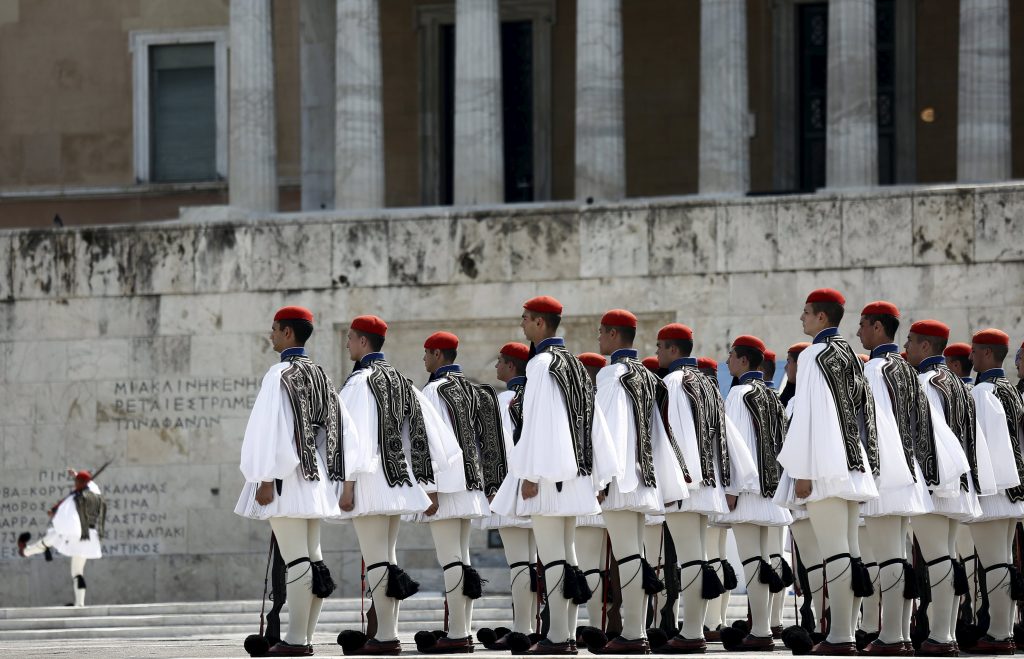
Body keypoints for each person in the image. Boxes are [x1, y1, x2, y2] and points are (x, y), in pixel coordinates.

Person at [235, 306, 367, 657]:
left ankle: (296, 640)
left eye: (274, 329)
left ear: (288, 333)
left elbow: (269, 431)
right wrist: (332, 471)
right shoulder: (320, 374)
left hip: (286, 479)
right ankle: (304, 636)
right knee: (312, 560)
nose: (271, 335)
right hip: (315, 479)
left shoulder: (280, 374)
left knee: (297, 561)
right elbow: (342, 431)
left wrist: (264, 477)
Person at [490, 295, 618, 655]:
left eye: (526, 319)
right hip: (574, 475)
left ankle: (558, 637)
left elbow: (538, 423)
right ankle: (566, 633)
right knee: (568, 556)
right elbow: (594, 424)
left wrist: (530, 473)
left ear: (541, 324)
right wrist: (597, 474)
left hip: (547, 476)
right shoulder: (574, 364)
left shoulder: (541, 364)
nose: (523, 324)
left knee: (553, 558)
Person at [332, 315, 462, 656]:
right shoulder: (402, 381)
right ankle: (387, 633)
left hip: (370, 481)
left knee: (377, 559)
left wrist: (347, 486)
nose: (347, 344)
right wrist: (423, 477)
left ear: (363, 342)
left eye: (350, 338)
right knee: (386, 558)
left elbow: (354, 440)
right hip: (398, 481)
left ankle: (387, 637)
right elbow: (431, 437)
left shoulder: (361, 383)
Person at [775, 288, 880, 656]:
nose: (801, 319)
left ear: (822, 317)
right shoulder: (848, 353)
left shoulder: (814, 355)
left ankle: (840, 636)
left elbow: (808, 414)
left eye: (806, 313)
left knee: (835, 553)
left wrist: (803, 471)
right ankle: (845, 632)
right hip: (852, 463)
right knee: (849, 552)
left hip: (824, 466)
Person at [655, 323, 756, 653]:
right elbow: (727, 438)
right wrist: (729, 480)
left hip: (684, 485)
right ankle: (694, 629)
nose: (657, 354)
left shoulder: (672, 382)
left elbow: (672, 436)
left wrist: (680, 478)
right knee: (697, 559)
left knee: (690, 560)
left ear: (672, 350)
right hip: (707, 484)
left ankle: (693, 633)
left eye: (660, 348)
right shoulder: (708, 384)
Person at [587, 309, 679, 654]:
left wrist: (603, 477)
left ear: (612, 335)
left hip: (621, 479)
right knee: (635, 554)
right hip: (645, 478)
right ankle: (636, 629)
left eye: (601, 332)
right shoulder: (646, 374)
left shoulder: (612, 374)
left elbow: (608, 428)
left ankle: (633, 634)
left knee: (628, 556)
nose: (599, 338)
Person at [903, 319, 989, 657]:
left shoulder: (924, 383)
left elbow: (924, 438)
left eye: (911, 342)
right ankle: (947, 633)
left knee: (939, 558)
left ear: (926, 347)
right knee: (948, 558)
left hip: (934, 484)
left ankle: (941, 635)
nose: (906, 348)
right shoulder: (957, 383)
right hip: (957, 485)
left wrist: (926, 480)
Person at [855, 302, 934, 655]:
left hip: (884, 472)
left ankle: (892, 637)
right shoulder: (905, 369)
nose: (858, 333)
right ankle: (899, 633)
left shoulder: (873, 370)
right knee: (898, 556)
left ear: (876, 327)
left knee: (887, 557)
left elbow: (867, 426)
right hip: (908, 470)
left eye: (862, 326)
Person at [415, 331, 501, 653]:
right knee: (461, 560)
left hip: (447, 487)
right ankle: (460, 629)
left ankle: (458, 634)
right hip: (472, 486)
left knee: (451, 560)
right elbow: (491, 443)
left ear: (438, 355)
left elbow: (428, 443)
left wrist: (430, 489)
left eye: (426, 354)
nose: (424, 360)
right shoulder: (475, 390)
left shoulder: (435, 390)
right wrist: (490, 486)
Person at [717, 335, 793, 651]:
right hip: (770, 492)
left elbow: (733, 447)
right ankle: (762, 626)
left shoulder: (738, 395)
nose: (728, 361)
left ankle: (760, 630)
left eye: (732, 355)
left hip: (747, 493)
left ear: (744, 360)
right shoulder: (772, 395)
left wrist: (732, 489)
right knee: (764, 560)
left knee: (752, 562)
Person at [963, 328, 1024, 654]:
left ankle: (1000, 634)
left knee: (995, 564)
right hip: (1010, 491)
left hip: (991, 491)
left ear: (986, 354)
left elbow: (980, 445)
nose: (970, 358)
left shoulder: (983, 392)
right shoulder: (1010, 391)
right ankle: (1005, 630)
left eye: (974, 352)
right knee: (1003, 562)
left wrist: (980, 488)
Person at [484, 342, 537, 648]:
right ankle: (531, 624)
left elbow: (498, 450)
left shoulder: (504, 401)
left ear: (511, 366)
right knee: (532, 562)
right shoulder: (536, 397)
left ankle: (522, 627)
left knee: (519, 562)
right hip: (538, 488)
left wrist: (493, 489)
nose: (496, 367)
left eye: (500, 362)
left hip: (511, 488)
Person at [20, 469, 106, 607]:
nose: (74, 482)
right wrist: (77, 475)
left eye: (76, 481)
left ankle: (26, 551)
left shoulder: (76, 498)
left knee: (50, 538)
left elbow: (66, 515)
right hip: (89, 537)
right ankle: (80, 603)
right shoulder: (94, 494)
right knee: (77, 572)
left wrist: (55, 513)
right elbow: (92, 486)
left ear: (80, 483)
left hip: (75, 532)